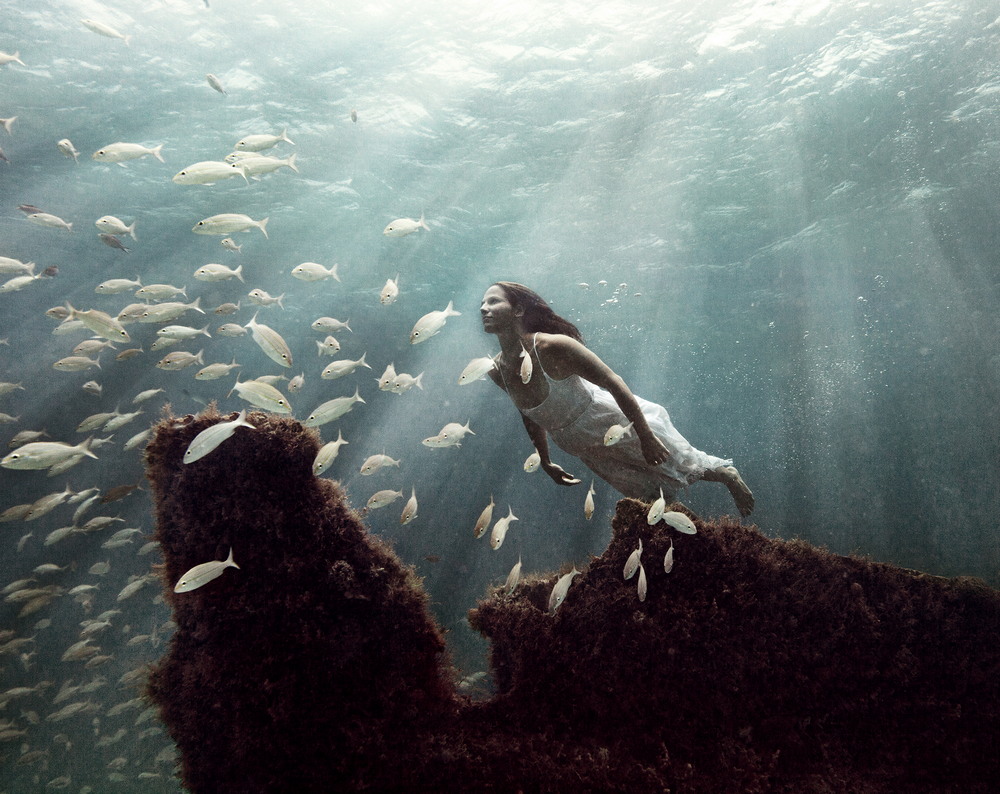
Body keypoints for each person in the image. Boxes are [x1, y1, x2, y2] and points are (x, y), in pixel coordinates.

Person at [481, 281, 754, 517]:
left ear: (518, 310)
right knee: (648, 496)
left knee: (681, 462)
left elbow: (613, 381)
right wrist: (545, 459)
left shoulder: (553, 346)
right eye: (482, 303)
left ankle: (727, 475)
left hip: (611, 419)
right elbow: (528, 413)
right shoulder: (497, 370)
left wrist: (645, 435)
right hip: (578, 444)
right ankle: (699, 537)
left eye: (493, 301)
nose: (483, 308)